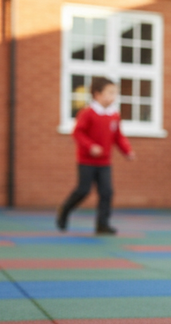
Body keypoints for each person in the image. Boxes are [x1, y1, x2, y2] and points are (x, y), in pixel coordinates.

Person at [56, 77, 136, 235]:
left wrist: (127, 151)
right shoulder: (88, 113)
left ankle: (102, 224)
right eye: (110, 93)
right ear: (97, 94)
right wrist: (90, 146)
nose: (114, 96)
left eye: (115, 93)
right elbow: (78, 133)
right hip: (86, 161)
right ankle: (64, 210)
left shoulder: (114, 115)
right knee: (83, 190)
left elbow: (118, 137)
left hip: (104, 162)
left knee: (107, 192)